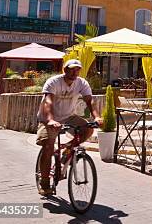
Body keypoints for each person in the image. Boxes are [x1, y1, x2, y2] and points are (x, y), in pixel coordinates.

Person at [35, 59, 103, 196]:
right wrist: (50, 120)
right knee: (48, 146)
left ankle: (68, 150)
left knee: (88, 128)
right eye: (71, 69)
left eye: (77, 70)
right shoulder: (53, 82)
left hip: (68, 117)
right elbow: (48, 101)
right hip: (48, 118)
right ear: (64, 70)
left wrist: (97, 117)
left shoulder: (81, 83)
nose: (74, 72)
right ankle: (44, 182)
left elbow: (89, 100)